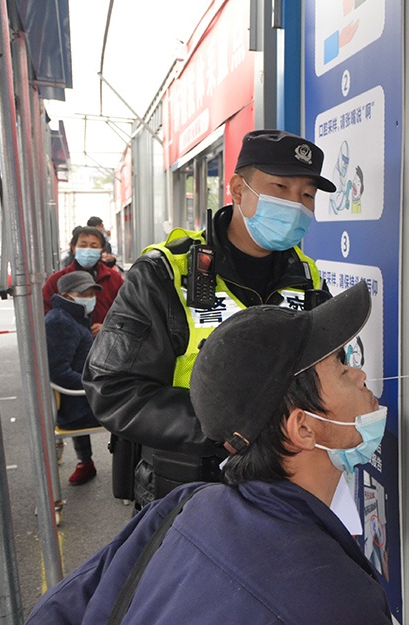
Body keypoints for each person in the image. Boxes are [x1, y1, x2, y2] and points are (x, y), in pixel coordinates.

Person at [26, 282, 392, 624]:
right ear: (304, 429)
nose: (360, 375)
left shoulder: (183, 505)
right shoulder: (338, 599)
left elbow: (63, 606)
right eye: (342, 369)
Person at [83, 129, 336, 509]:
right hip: (186, 491)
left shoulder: (308, 278)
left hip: (284, 485)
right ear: (237, 189)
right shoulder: (164, 273)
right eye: (280, 187)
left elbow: (327, 371)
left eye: (307, 196)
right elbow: (112, 388)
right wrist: (231, 430)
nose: (295, 205)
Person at [45, 271, 104, 485]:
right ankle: (127, 472)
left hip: (76, 402)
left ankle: (85, 463)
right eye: (83, 293)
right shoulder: (60, 322)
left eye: (91, 293)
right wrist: (96, 386)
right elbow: (58, 372)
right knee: (128, 409)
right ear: (66, 295)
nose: (89, 298)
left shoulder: (71, 317)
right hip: (77, 408)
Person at [44, 225, 124, 337]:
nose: (88, 250)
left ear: (102, 250)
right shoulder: (57, 280)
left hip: (106, 344)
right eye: (83, 245)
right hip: (69, 344)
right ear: (73, 248)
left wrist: (108, 326)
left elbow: (126, 312)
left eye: (94, 246)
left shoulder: (114, 278)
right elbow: (44, 311)